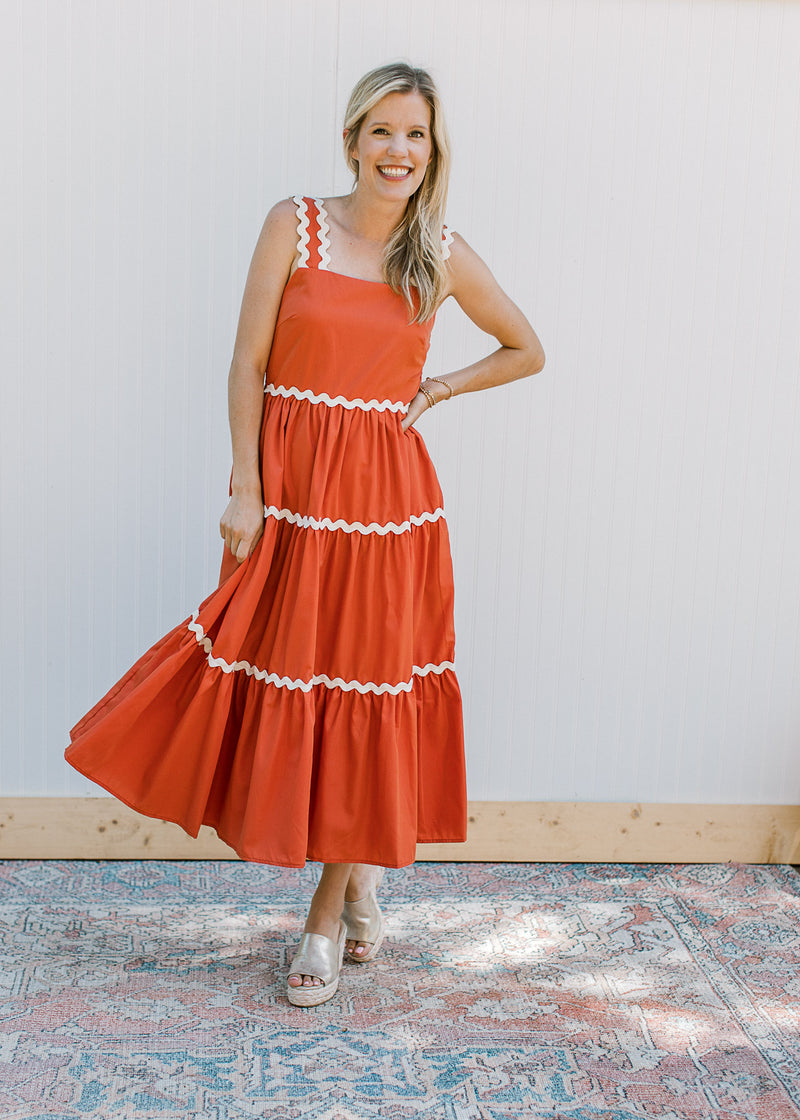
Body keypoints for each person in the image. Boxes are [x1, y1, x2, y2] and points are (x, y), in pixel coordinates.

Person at [65, 61, 545, 1007]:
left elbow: (527, 347)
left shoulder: (438, 251)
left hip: (384, 510)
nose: (398, 151)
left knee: (363, 692)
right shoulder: (295, 224)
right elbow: (247, 363)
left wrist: (439, 389)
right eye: (382, 132)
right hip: (287, 497)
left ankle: (327, 909)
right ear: (351, 140)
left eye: (416, 136)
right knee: (261, 666)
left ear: (432, 150)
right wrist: (244, 483)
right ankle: (361, 872)